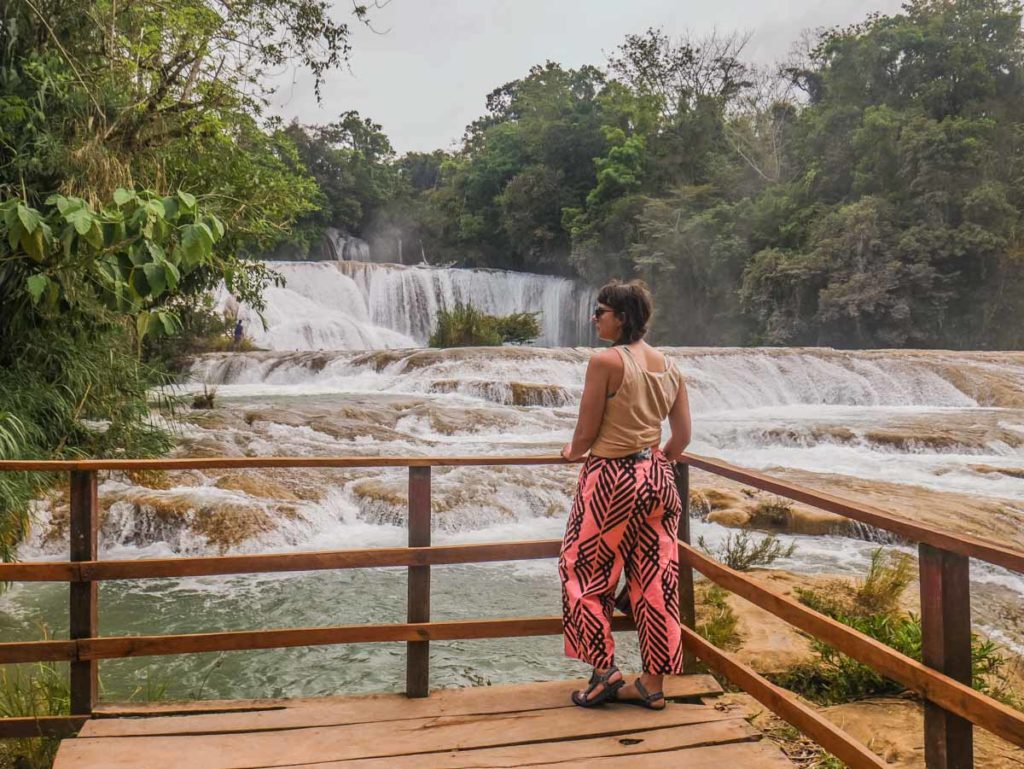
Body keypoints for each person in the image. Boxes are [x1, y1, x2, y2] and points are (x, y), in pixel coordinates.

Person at [558, 279, 692, 710]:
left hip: (611, 478)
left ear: (621, 317)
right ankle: (652, 686)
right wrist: (657, 460)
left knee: (582, 571)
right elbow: (683, 437)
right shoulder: (670, 366)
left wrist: (571, 452)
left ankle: (604, 671)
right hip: (657, 477)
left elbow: (585, 431)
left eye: (600, 312)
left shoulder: (605, 362)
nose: (595, 318)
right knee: (656, 578)